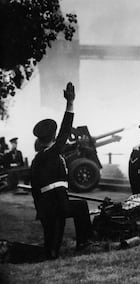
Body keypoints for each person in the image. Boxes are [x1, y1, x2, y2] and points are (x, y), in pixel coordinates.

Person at [31, 82, 93, 259]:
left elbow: (35, 189)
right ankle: (84, 242)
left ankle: (52, 250)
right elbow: (65, 131)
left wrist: (41, 211)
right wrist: (70, 103)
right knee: (81, 207)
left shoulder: (40, 159)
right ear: (52, 137)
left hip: (48, 206)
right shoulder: (51, 154)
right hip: (56, 205)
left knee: (52, 250)